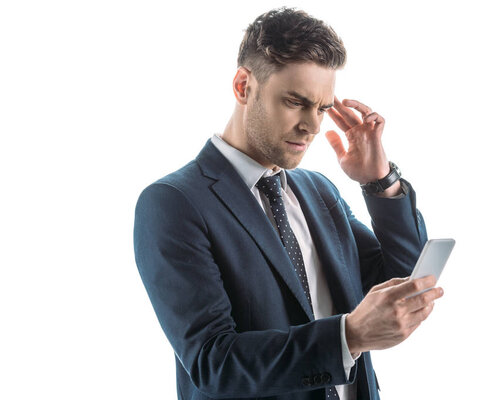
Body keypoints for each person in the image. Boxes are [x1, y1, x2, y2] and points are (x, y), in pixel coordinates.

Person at [133, 7, 443, 400]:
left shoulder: (317, 191)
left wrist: (380, 183)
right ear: (244, 86)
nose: (313, 126)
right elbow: (213, 363)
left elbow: (407, 283)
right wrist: (348, 336)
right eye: (296, 102)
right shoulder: (173, 203)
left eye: (323, 108)